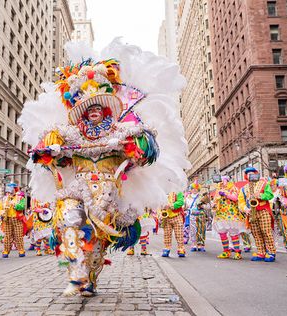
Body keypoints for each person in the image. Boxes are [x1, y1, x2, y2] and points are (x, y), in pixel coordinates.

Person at [20, 41, 189, 296]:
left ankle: (89, 277)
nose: (94, 111)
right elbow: (46, 148)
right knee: (69, 220)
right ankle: (76, 272)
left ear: (106, 109)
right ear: (83, 112)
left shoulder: (121, 130)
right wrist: (50, 149)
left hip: (108, 192)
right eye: (89, 108)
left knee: (98, 238)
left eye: (98, 107)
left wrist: (130, 144)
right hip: (77, 188)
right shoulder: (70, 133)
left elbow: (144, 148)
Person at [238, 167, 276, 262]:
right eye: (248, 174)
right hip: (251, 212)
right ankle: (261, 252)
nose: (250, 175)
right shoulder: (243, 189)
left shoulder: (264, 184)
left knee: (266, 231)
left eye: (252, 173)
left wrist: (260, 195)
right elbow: (241, 202)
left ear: (256, 174)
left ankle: (271, 252)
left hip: (263, 210)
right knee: (256, 233)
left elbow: (270, 195)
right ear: (246, 176)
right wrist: (245, 209)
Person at [213, 176, 246, 260]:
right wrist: (214, 203)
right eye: (222, 181)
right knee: (222, 233)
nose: (223, 183)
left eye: (225, 181)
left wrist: (226, 194)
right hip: (220, 214)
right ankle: (226, 251)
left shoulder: (233, 188)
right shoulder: (218, 189)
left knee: (233, 232)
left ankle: (237, 252)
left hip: (231, 214)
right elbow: (215, 200)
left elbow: (235, 198)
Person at [0, 183, 26, 258]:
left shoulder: (20, 198)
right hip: (7, 219)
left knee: (18, 235)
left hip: (17, 219)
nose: (9, 192)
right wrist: (2, 213)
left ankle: (21, 250)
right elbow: (0, 209)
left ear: (14, 190)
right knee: (7, 236)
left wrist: (15, 205)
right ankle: (6, 251)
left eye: (11, 190)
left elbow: (22, 206)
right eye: (8, 191)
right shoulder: (4, 199)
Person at [161, 192, 186, 257]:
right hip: (166, 217)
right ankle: (167, 248)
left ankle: (181, 248)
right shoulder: (162, 191)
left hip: (177, 216)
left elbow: (181, 202)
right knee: (167, 234)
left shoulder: (178, 191)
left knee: (179, 234)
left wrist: (170, 205)